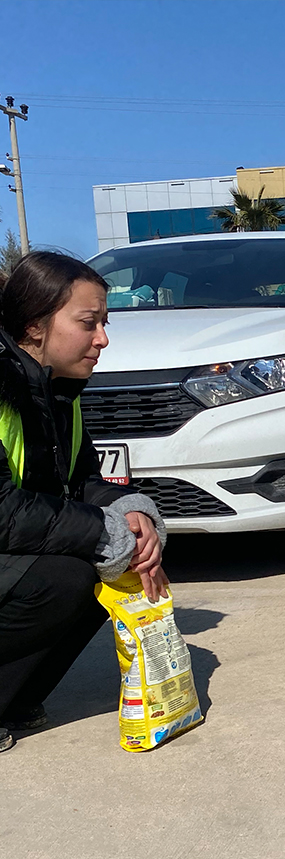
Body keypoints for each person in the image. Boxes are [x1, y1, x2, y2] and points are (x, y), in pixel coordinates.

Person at [0, 251, 168, 753]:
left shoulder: (57, 391)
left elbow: (81, 483)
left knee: (119, 563)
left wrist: (130, 512)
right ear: (35, 325)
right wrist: (101, 531)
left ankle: (15, 699)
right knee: (65, 577)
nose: (102, 339)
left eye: (104, 323)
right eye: (88, 322)